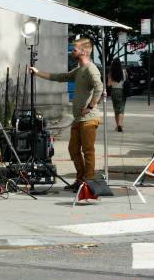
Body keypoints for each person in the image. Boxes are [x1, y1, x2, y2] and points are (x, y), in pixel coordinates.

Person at [30, 38, 103, 192]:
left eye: (74, 49)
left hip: (89, 119)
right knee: (73, 149)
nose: (71, 52)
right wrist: (38, 73)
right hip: (78, 118)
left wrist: (90, 107)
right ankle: (80, 179)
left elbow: (99, 88)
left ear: (83, 52)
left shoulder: (91, 69)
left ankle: (87, 183)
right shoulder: (79, 70)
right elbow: (60, 77)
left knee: (88, 151)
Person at [107, 58, 127, 132]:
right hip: (122, 91)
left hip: (114, 91)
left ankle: (117, 126)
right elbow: (126, 81)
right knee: (121, 109)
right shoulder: (124, 71)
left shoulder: (111, 73)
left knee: (116, 109)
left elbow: (109, 84)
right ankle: (120, 124)